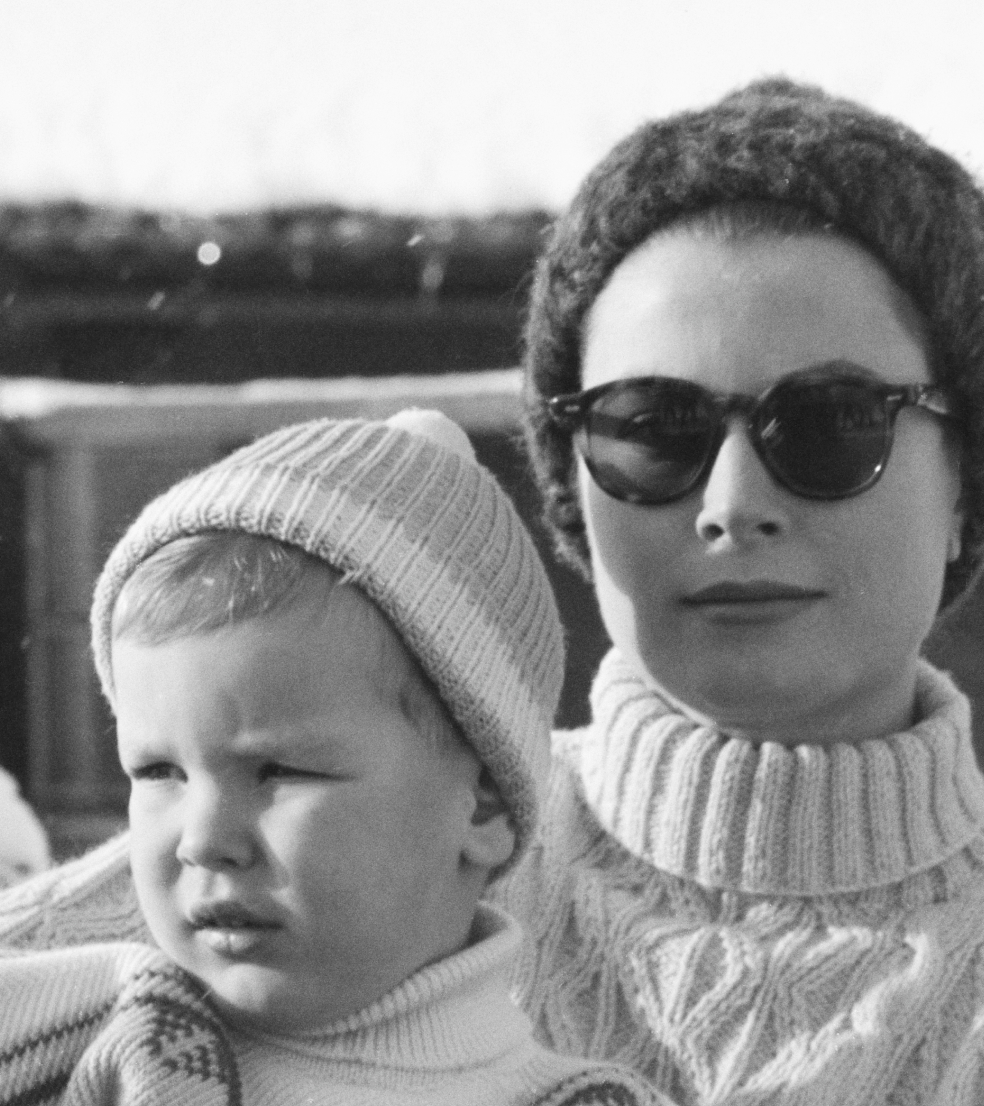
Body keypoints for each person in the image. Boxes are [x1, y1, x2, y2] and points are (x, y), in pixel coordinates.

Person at [490, 76, 984, 1105]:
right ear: (575, 494)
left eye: (830, 422)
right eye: (650, 427)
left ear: (963, 483)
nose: (731, 502)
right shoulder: (374, 865)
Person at [0, 410, 665, 1106]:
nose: (204, 841)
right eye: (159, 772)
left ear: (486, 800)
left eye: (277, 771)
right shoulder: (82, 1035)